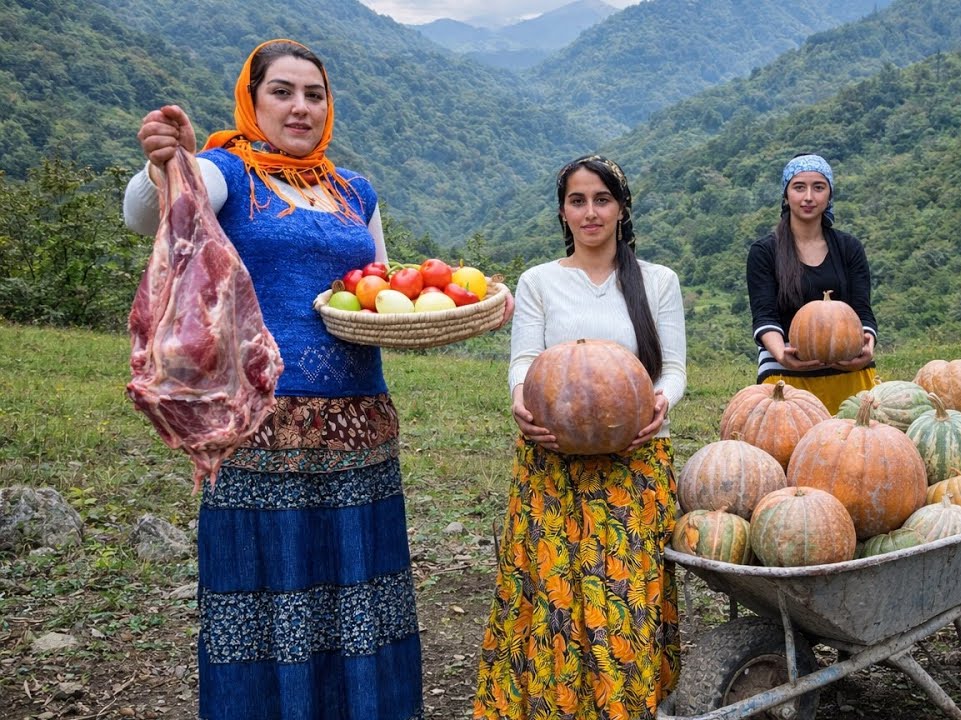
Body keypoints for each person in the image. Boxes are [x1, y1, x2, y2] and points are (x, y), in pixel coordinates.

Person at [124, 39, 427, 720]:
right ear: (252, 99)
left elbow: (376, 284)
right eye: (282, 91)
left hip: (359, 425)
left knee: (358, 584)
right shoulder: (229, 172)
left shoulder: (355, 190)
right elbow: (146, 214)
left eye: (313, 94)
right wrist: (163, 163)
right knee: (269, 583)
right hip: (262, 428)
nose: (300, 107)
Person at [473, 155, 687, 719]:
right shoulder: (539, 281)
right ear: (563, 212)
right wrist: (521, 401)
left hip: (633, 461)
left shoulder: (658, 281)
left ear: (621, 208)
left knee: (623, 595)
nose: (590, 212)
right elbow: (523, 363)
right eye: (577, 201)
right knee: (551, 596)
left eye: (602, 200)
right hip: (553, 463)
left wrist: (661, 403)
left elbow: (673, 371)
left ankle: (626, 708)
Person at [746, 153, 879, 414]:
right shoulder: (765, 252)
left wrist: (867, 346)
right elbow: (764, 318)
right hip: (786, 380)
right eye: (799, 187)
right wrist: (783, 355)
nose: (808, 197)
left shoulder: (849, 248)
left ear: (830, 194)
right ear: (786, 195)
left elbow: (862, 311)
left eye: (818, 187)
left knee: (856, 449)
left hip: (849, 372)